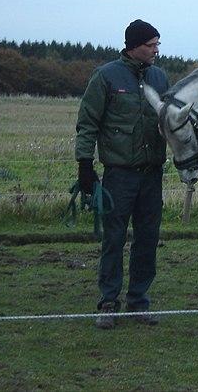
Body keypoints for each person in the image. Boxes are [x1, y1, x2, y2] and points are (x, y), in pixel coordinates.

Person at [75, 19, 169, 329]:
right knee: (113, 239)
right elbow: (88, 122)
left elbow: (172, 122)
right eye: (150, 45)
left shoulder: (160, 78)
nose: (156, 50)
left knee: (147, 239)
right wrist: (85, 165)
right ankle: (108, 303)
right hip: (119, 175)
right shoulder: (105, 77)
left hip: (152, 175)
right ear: (133, 46)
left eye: (158, 44)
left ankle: (138, 302)